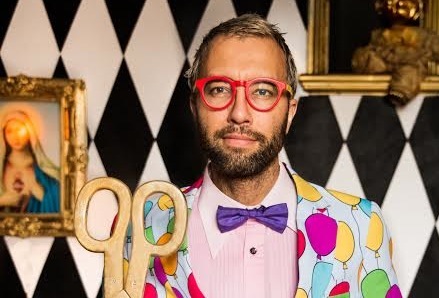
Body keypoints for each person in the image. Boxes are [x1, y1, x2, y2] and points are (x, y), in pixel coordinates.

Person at [124, 14, 401, 298]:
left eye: (263, 91)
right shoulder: (143, 223)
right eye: (219, 89)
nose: (240, 114)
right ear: (195, 106)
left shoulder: (361, 226)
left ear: (290, 112)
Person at [0, 110, 60, 213]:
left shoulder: (44, 169)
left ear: (30, 132)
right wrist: (2, 201)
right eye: (9, 131)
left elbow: (62, 203)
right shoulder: (2, 166)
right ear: (3, 135)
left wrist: (43, 196)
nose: (15, 136)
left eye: (20, 130)